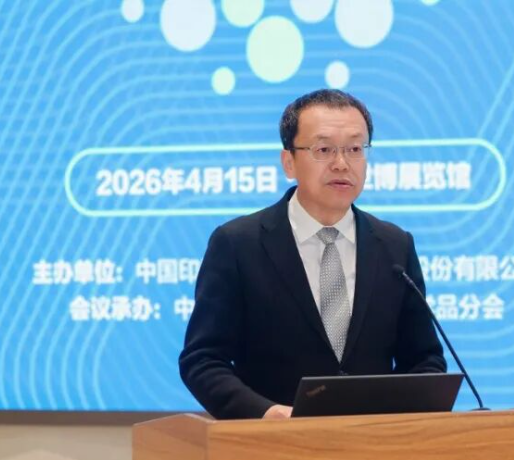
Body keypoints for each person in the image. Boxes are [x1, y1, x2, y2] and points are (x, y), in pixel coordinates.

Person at [179, 89, 446, 420]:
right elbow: (203, 360)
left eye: (354, 149)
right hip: (273, 443)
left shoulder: (394, 245)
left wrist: (400, 415)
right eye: (323, 149)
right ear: (289, 162)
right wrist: (266, 413)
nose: (341, 163)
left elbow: (424, 359)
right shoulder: (237, 244)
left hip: (373, 444)